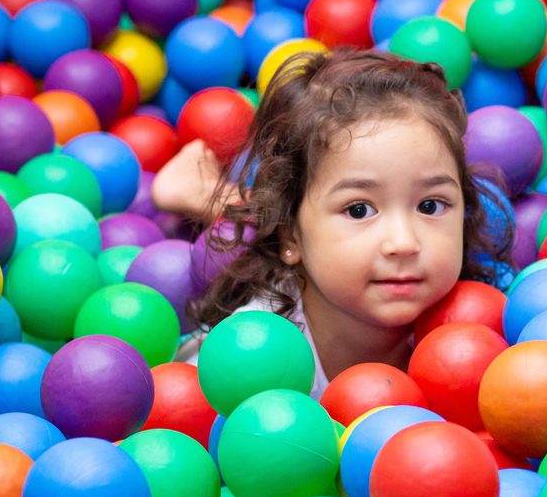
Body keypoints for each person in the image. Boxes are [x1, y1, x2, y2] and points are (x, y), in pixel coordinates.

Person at [152, 48, 513, 397]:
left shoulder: (490, 321)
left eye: (431, 206)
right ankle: (198, 191)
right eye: (359, 210)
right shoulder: (251, 352)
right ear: (288, 235)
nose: (404, 243)